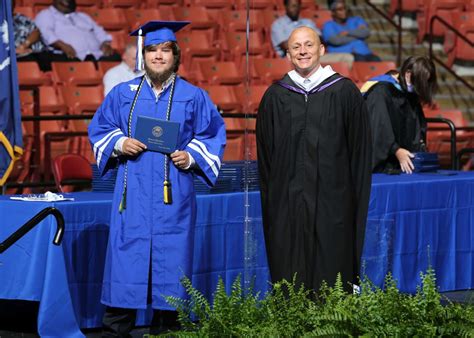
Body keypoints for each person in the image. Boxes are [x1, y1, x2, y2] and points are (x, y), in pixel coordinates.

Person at [88, 20, 226, 336]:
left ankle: (168, 329)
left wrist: (191, 155)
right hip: (132, 191)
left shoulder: (194, 96)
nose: (159, 56)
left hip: (174, 192)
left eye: (165, 50)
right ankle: (117, 328)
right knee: (127, 257)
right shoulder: (123, 94)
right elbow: (99, 128)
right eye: (152, 50)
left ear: (176, 56)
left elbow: (213, 133)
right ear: (143, 55)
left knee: (173, 259)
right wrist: (120, 143)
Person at [257, 26, 372, 293]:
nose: (303, 51)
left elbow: (359, 153)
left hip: (334, 202)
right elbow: (266, 159)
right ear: (288, 54)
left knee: (332, 270)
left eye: (309, 45)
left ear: (322, 50)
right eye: (296, 47)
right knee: (290, 273)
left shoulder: (344, 93)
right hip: (288, 203)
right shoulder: (275, 96)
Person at [361, 56, 438, 174]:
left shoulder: (410, 94)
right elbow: (380, 127)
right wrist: (396, 150)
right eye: (419, 82)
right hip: (379, 168)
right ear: (408, 73)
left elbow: (417, 127)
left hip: (403, 165)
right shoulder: (380, 92)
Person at [272, 0, 354, 66]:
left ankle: (340, 85)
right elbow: (286, 46)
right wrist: (308, 42)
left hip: (313, 56)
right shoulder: (278, 24)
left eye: (297, 6)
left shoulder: (308, 22)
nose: (295, 8)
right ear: (286, 7)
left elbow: (319, 39)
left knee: (347, 57)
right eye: (292, 6)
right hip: (293, 59)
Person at [35, 0, 120, 63]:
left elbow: (99, 31)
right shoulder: (46, 14)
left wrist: (105, 43)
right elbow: (45, 32)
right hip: (69, 56)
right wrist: (62, 45)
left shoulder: (82, 16)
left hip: (96, 55)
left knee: (116, 57)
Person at [12, 0, 54, 71]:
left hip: (38, 52)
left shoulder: (22, 18)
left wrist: (24, 46)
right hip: (17, 57)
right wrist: (16, 51)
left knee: (63, 60)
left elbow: (36, 32)